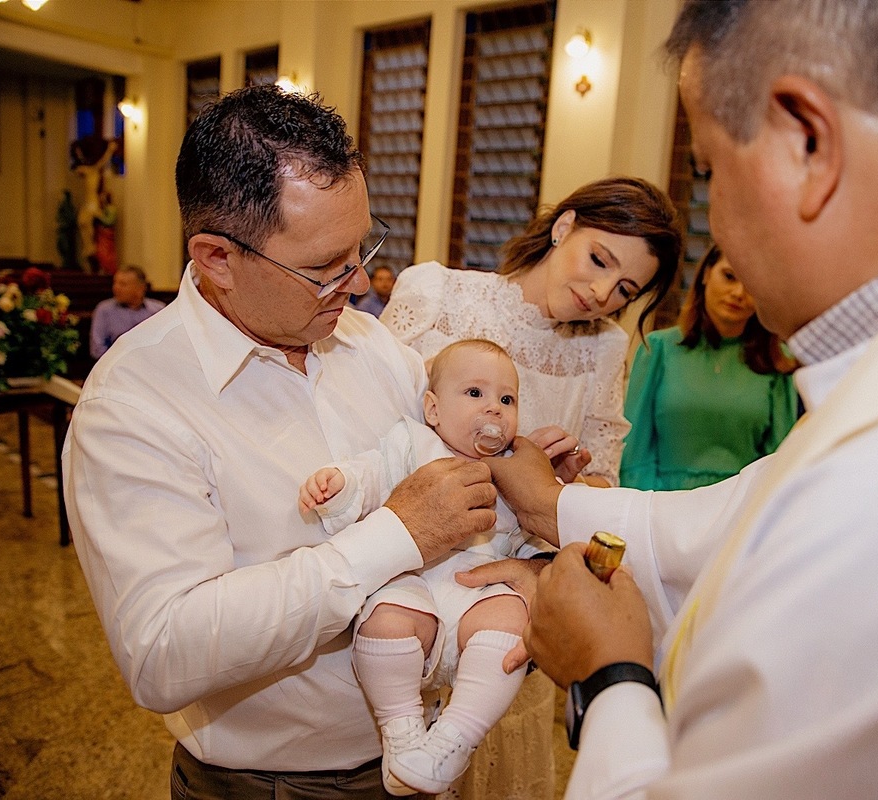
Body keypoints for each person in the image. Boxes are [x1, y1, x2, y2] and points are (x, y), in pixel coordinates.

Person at [469, 1, 878, 797]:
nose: (721, 233)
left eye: (708, 171)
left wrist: (611, 678)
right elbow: (749, 511)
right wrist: (556, 508)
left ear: (806, 141)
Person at [63, 84, 499, 800]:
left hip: (418, 751)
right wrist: (396, 534)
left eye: (363, 245)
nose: (359, 282)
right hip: (274, 785)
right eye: (327, 265)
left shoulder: (370, 344)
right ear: (216, 257)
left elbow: (438, 462)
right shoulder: (133, 403)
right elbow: (162, 652)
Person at [381, 176, 682, 799]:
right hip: (406, 563)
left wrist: (564, 483)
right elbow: (370, 420)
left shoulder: (603, 349)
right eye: (599, 260)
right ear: (563, 225)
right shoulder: (435, 293)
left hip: (508, 588)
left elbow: (605, 478)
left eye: (624, 289)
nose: (601, 293)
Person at [302, 339, 543, 795]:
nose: (494, 409)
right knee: (384, 617)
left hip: (477, 585)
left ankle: (454, 739)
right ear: (433, 409)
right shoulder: (412, 442)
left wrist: (538, 562)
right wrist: (342, 484)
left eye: (506, 399)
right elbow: (374, 475)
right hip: (410, 577)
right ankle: (402, 731)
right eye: (475, 394)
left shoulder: (513, 468)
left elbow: (531, 534)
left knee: (512, 620)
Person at [620, 244, 798, 490]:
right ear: (705, 274)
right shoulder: (658, 348)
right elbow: (634, 453)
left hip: (738, 511)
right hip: (659, 507)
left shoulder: (777, 362)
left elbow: (779, 459)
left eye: (752, 285)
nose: (738, 292)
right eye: (729, 276)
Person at [88, 264, 165, 358]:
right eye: (115, 283)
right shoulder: (104, 310)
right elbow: (97, 349)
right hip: (114, 366)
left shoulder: (158, 310)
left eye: (122, 284)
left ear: (140, 289)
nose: (116, 288)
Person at [72, 138, 117, 273]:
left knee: (91, 233)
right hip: (89, 205)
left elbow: (101, 162)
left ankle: (92, 254)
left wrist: (110, 151)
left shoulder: (93, 171)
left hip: (93, 205)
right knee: (84, 227)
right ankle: (89, 252)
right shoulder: (85, 170)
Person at [93, 190, 119, 275]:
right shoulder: (105, 209)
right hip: (102, 233)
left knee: (107, 253)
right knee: (100, 252)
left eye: (103, 198)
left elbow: (109, 221)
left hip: (107, 233)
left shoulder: (111, 209)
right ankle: (103, 268)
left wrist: (99, 216)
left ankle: (109, 269)